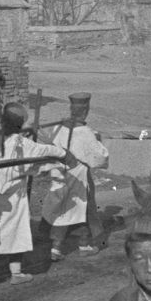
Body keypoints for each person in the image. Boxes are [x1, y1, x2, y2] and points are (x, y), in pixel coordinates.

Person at [0, 102, 74, 289]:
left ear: (3, 121)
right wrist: (64, 154)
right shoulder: (23, 144)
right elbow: (45, 151)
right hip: (11, 197)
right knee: (17, 233)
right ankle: (16, 274)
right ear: (19, 125)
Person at [42, 92, 110, 260]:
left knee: (62, 209)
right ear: (86, 110)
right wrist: (98, 140)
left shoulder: (59, 128)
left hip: (59, 173)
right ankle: (84, 244)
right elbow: (100, 157)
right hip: (78, 176)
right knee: (85, 209)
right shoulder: (85, 132)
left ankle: (56, 248)